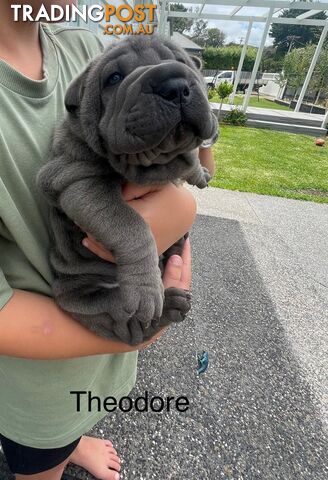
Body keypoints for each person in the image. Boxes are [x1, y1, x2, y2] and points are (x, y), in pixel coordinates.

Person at [0, 1, 215, 479]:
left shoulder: (83, 46)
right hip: (37, 383)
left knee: (86, 409)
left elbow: (185, 159)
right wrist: (137, 334)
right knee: (42, 456)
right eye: (116, 80)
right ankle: (58, 449)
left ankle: (74, 441)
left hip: (96, 364)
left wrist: (182, 199)